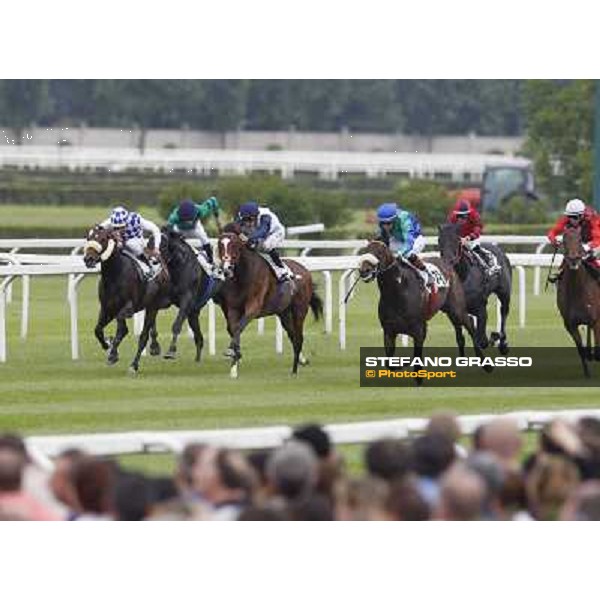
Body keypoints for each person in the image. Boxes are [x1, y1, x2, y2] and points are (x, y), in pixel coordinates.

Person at [376, 202, 433, 290]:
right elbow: (382, 240)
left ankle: (427, 273)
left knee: (407, 254)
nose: (385, 226)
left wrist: (400, 252)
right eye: (383, 223)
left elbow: (409, 241)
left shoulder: (404, 218)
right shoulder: (383, 223)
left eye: (389, 223)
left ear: (395, 219)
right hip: (398, 238)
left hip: (415, 238)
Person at [235, 201, 294, 282]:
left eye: (249, 219)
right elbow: (236, 226)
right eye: (245, 220)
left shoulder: (265, 216)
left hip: (275, 232)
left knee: (265, 247)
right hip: (258, 230)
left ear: (256, 216)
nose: (247, 222)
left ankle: (283, 270)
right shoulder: (243, 214)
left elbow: (263, 231)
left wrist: (249, 238)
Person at [167, 197, 222, 277]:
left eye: (189, 219)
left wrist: (217, 218)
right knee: (172, 241)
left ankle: (211, 261)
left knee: (205, 240)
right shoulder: (174, 217)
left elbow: (213, 200)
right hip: (179, 229)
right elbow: (167, 229)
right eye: (185, 220)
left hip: (195, 228)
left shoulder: (201, 210)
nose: (187, 222)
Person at [101, 206, 162, 278]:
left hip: (136, 241)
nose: (118, 231)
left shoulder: (136, 219)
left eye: (121, 227)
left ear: (126, 222)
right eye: (116, 228)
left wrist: (156, 247)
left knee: (131, 244)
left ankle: (148, 266)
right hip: (121, 242)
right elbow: (97, 229)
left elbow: (155, 229)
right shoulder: (111, 221)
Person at [448, 199, 500, 276]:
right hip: (459, 237)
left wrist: (469, 237)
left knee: (473, 247)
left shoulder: (474, 215)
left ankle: (488, 264)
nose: (461, 219)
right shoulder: (452, 217)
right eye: (459, 216)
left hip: (472, 237)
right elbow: (449, 229)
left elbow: (478, 227)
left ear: (468, 214)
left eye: (463, 216)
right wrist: (456, 238)